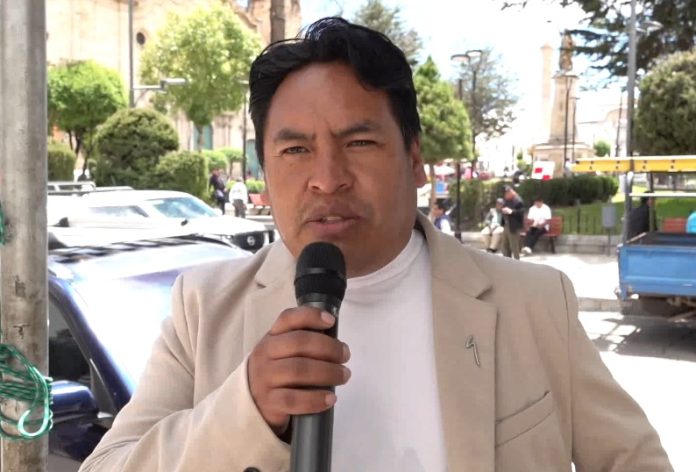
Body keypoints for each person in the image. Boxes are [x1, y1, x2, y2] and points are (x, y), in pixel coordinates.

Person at [80, 18, 672, 472]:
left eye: (358, 143)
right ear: (265, 171)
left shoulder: (533, 304)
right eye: (295, 150)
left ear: (414, 160)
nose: (326, 178)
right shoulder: (203, 308)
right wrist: (246, 407)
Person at [500, 185, 525, 260]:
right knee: (505, 245)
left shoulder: (518, 201)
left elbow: (521, 213)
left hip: (514, 226)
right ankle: (507, 260)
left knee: (514, 246)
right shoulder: (507, 200)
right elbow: (503, 208)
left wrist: (511, 211)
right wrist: (503, 210)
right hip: (506, 225)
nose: (505, 196)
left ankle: (517, 261)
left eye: (507, 193)